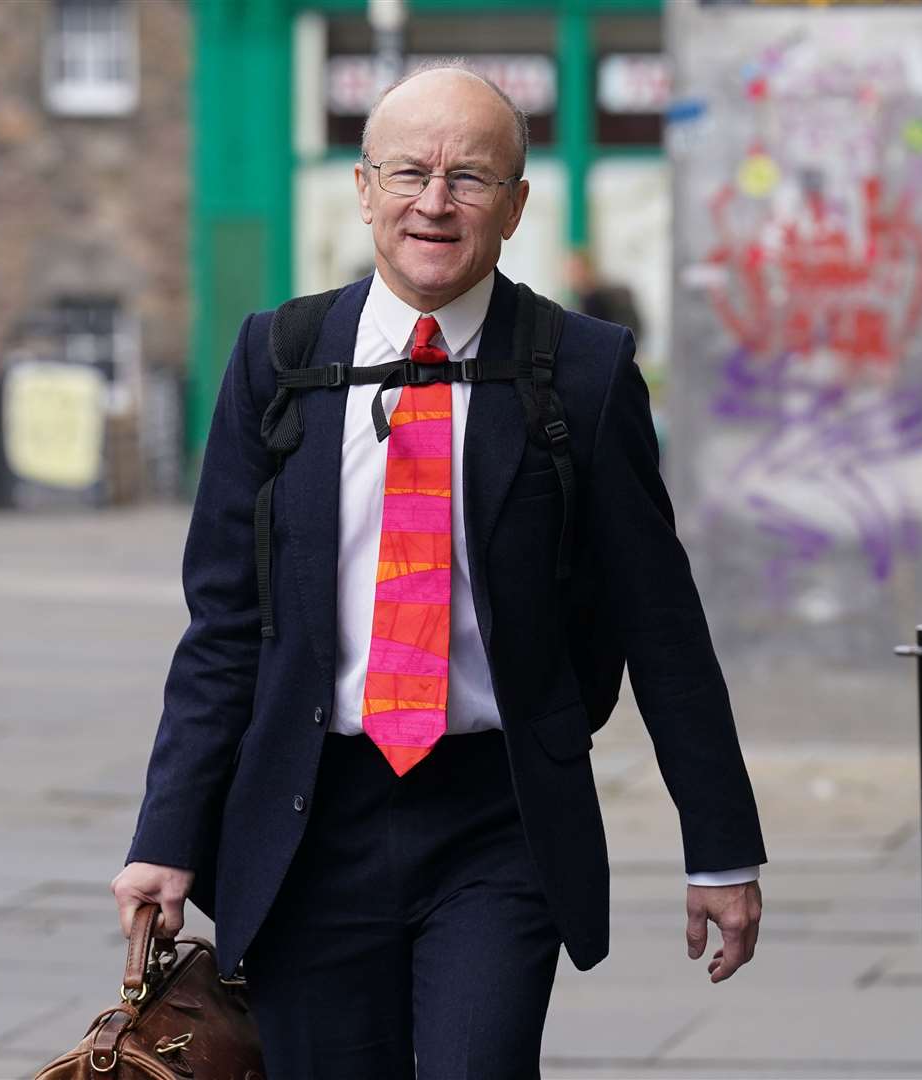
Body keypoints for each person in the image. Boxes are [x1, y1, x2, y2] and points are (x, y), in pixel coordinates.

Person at [111, 62, 766, 1079]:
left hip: (495, 819)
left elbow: (662, 623)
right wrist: (166, 832)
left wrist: (721, 847)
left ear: (515, 207)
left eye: (470, 178)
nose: (435, 202)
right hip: (304, 819)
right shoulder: (276, 358)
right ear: (364, 189)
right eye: (409, 172)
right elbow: (225, 626)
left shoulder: (581, 371)